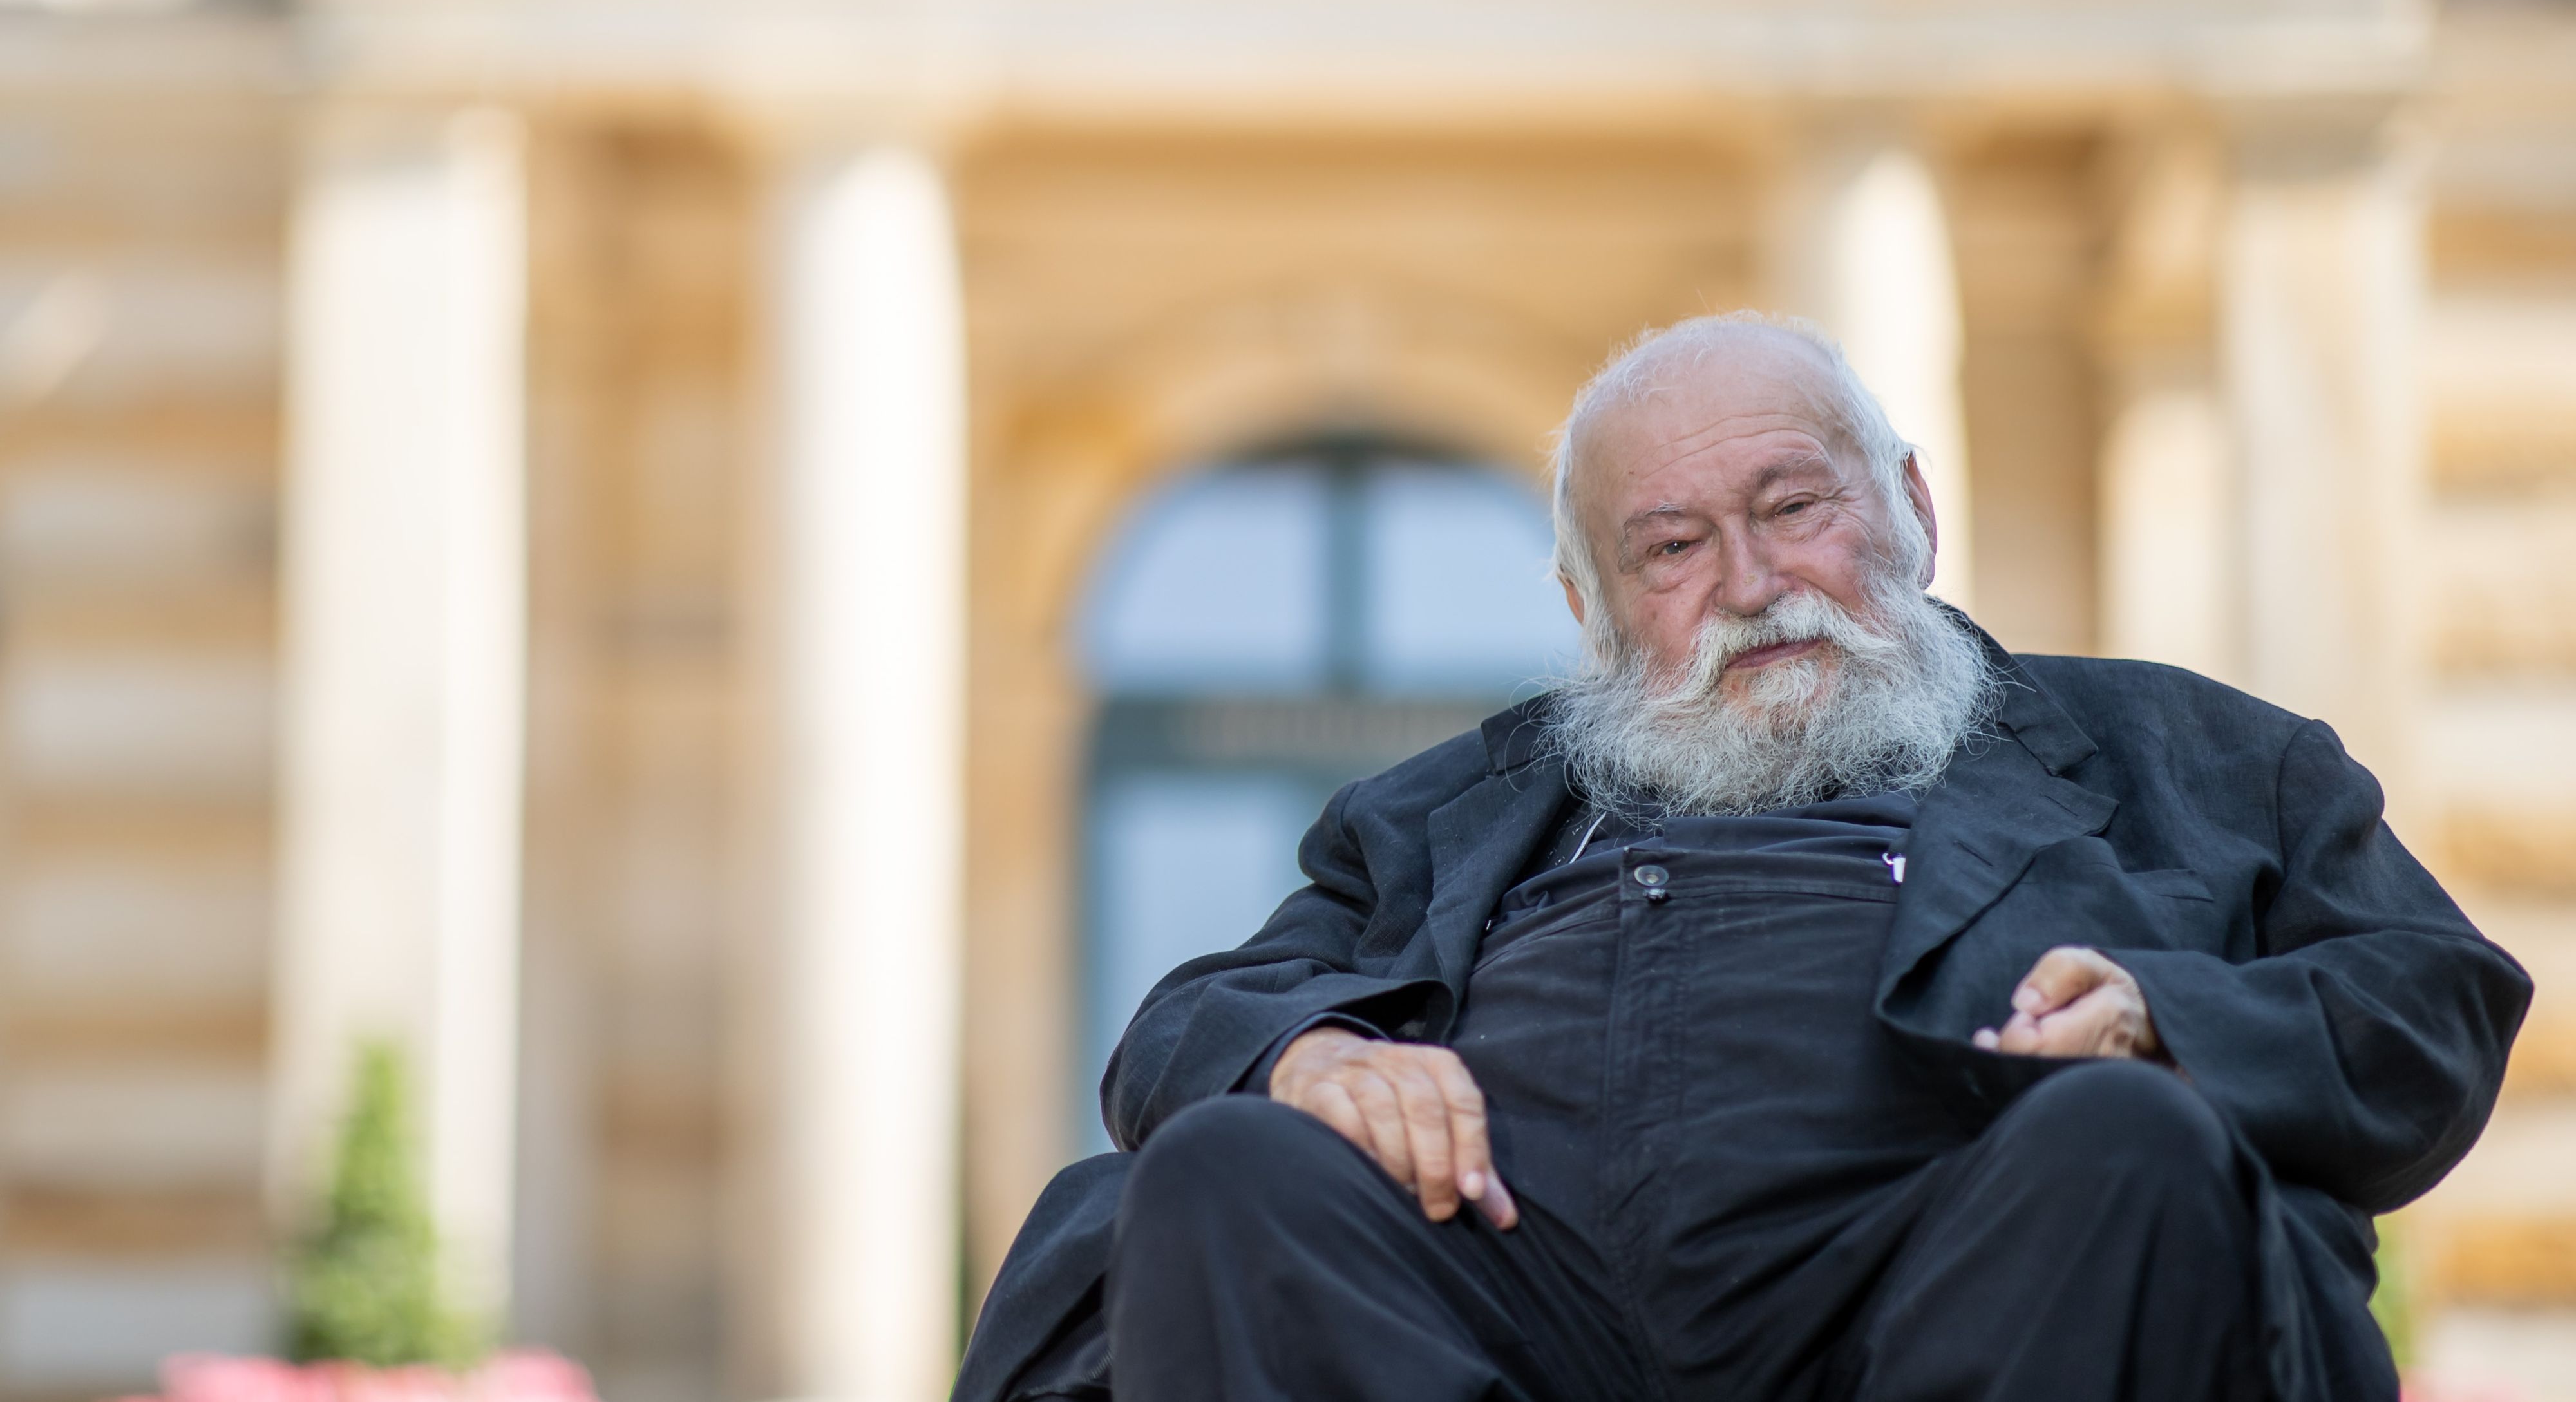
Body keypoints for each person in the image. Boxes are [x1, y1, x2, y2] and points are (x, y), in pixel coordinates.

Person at [954, 313, 2530, 1402]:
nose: (1755, 581)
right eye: (1670, 546)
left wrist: (2167, 1013)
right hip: (1519, 1289)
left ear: (1908, 508)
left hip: (1968, 1265)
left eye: (1793, 506)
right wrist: (1299, 1054)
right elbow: (1191, 1016)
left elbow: (2427, 995)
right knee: (1228, 1162)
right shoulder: (1450, 807)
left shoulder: (2190, 754)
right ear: (1588, 608)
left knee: (2122, 1137)